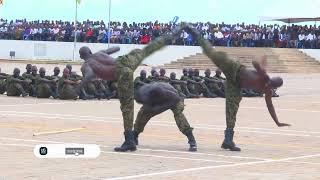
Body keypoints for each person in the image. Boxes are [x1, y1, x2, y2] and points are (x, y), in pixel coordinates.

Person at [184, 25, 290, 151]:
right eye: (272, 82)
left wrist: (277, 122)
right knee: (211, 53)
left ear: (274, 87)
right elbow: (255, 62)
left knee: (232, 111)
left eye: (273, 85)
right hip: (234, 67)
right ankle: (194, 33)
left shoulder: (267, 90)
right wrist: (261, 66)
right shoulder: (264, 77)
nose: (270, 85)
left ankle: (227, 141)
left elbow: (270, 106)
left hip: (235, 85)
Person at [80, 30, 182, 152]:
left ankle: (129, 141)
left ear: (81, 57)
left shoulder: (86, 65)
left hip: (122, 73)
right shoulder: (99, 53)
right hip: (125, 61)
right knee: (145, 51)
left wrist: (78, 87)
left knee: (127, 108)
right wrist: (107, 52)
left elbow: (88, 76)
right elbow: (116, 48)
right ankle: (170, 36)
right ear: (90, 51)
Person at [133, 82, 197, 151]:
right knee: (142, 114)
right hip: (157, 101)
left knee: (179, 115)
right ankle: (135, 134)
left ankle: (191, 140)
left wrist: (160, 108)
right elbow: (146, 106)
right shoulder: (142, 94)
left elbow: (176, 99)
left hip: (175, 100)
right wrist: (151, 109)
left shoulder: (168, 93)